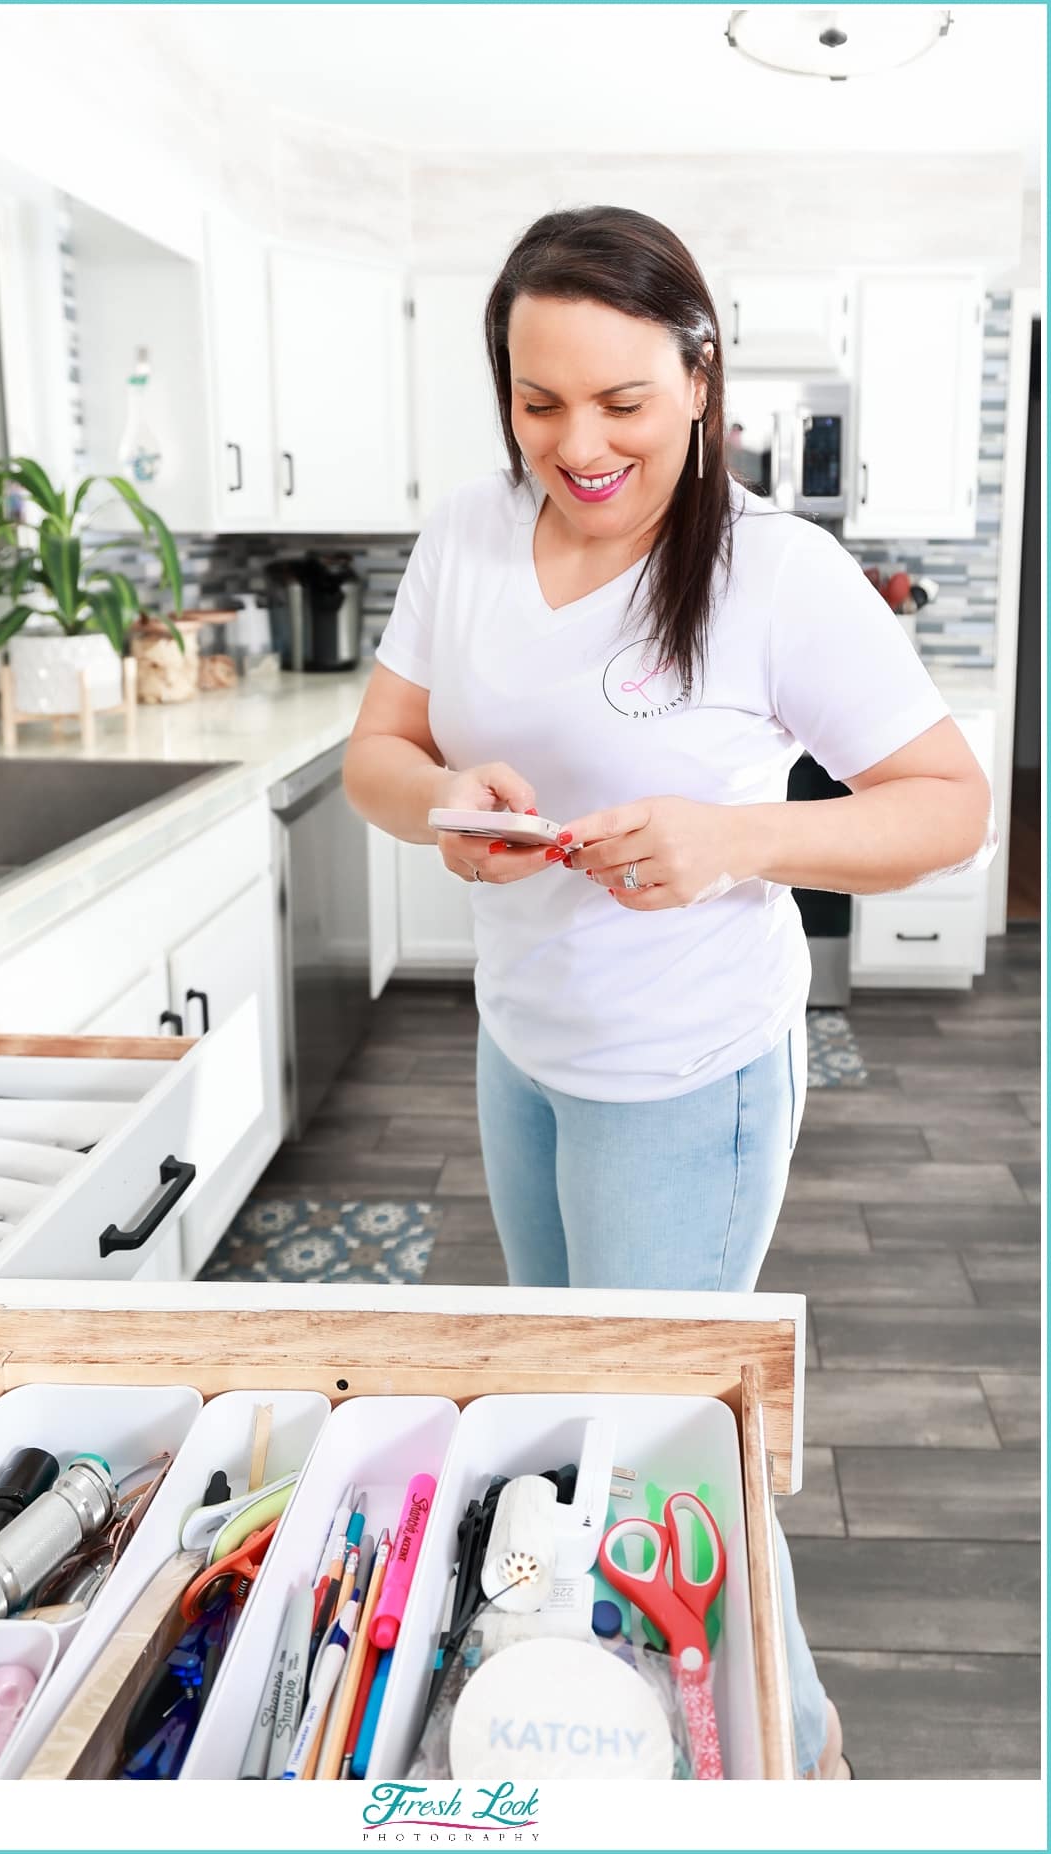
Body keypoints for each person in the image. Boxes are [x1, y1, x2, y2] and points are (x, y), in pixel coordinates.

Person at [343, 205, 994, 1779]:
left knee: (673, 1454)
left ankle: (804, 1758)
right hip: (525, 1045)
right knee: (577, 1414)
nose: (579, 443)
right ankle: (605, 1713)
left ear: (700, 378)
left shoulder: (777, 574)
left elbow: (949, 803)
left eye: (623, 401)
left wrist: (735, 839)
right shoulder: (468, 535)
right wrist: (446, 808)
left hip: (688, 1076)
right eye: (540, 399)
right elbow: (375, 756)